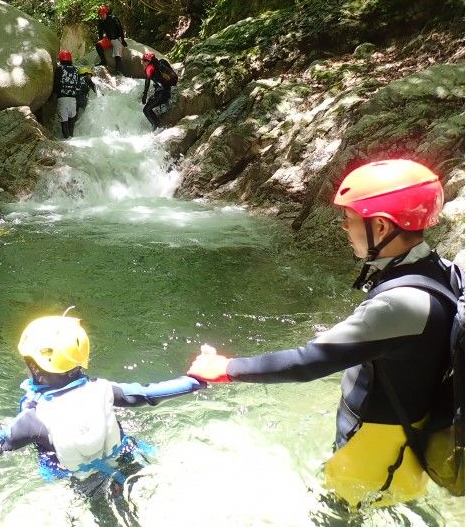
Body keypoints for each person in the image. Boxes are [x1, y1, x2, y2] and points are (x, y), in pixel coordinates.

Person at [187, 159, 457, 507]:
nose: (344, 228)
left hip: (372, 456)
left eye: (350, 220)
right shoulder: (443, 271)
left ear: (380, 225)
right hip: (402, 445)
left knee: (334, 513)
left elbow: (308, 363)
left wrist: (227, 368)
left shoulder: (401, 304)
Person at [0, 313, 205, 488]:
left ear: (34, 368)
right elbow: (149, 394)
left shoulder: (31, 420)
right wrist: (196, 380)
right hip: (126, 456)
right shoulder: (105, 389)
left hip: (78, 480)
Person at [140, 52, 173, 131]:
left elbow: (147, 81)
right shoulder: (160, 64)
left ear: (147, 61)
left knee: (146, 110)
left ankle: (156, 127)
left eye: (143, 62)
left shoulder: (150, 68)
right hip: (166, 91)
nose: (142, 63)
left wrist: (145, 95)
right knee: (148, 108)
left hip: (162, 93)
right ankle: (158, 126)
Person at [54, 50, 80, 139]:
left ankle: (66, 140)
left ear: (61, 59)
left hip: (62, 97)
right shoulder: (76, 70)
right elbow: (78, 84)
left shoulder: (60, 69)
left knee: (64, 120)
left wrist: (52, 95)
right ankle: (71, 137)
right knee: (71, 119)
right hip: (73, 99)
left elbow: (56, 84)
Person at [95, 5, 127, 75]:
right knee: (98, 45)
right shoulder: (101, 22)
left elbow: (120, 29)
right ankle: (103, 61)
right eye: (100, 15)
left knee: (117, 54)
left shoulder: (114, 18)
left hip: (116, 39)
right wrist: (100, 42)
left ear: (106, 13)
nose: (101, 16)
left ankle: (119, 70)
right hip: (109, 39)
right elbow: (100, 33)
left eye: (102, 14)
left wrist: (123, 40)